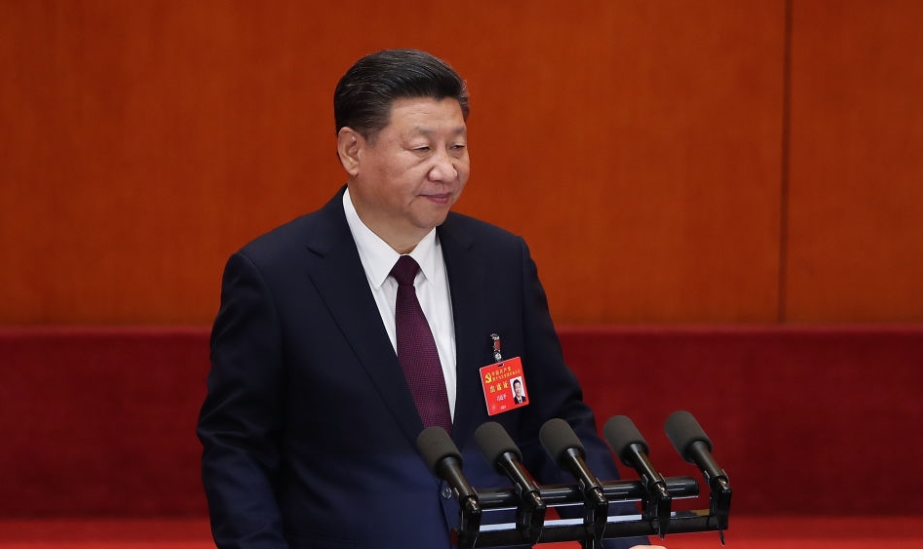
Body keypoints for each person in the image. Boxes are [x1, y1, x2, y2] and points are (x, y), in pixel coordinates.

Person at [197, 49, 660, 549]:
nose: (447, 170)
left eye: (457, 147)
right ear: (352, 150)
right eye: (421, 149)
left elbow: (555, 422)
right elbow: (237, 448)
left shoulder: (501, 261)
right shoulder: (274, 275)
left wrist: (623, 537)